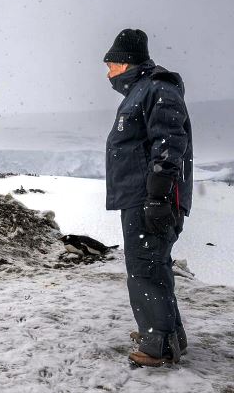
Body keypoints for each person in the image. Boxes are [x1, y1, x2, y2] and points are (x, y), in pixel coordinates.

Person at [104, 28, 193, 367]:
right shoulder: (143, 91)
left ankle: (157, 344)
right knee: (153, 266)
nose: (108, 72)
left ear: (126, 63)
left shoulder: (158, 89)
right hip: (141, 196)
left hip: (150, 197)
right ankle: (171, 336)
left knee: (145, 268)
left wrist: (158, 196)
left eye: (111, 64)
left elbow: (170, 141)